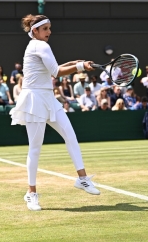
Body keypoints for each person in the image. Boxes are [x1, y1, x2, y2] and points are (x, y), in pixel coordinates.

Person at [10, 14, 100, 211]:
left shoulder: (38, 46)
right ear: (35, 31)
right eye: (45, 29)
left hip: (48, 99)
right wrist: (79, 67)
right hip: (34, 100)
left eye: (50, 28)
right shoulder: (40, 46)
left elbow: (55, 67)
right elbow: (56, 72)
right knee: (35, 148)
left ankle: (82, 179)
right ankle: (31, 193)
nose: (49, 32)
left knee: (70, 135)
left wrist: (78, 63)